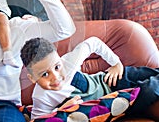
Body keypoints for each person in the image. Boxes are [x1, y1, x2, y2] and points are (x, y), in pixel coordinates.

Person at [20, 37, 159, 120]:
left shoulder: (68, 61)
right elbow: (39, 120)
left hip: (111, 80)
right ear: (32, 78)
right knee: (148, 91)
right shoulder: (41, 97)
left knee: (152, 73)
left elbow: (93, 42)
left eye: (57, 67)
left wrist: (116, 63)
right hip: (113, 100)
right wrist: (59, 111)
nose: (55, 77)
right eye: (45, 74)